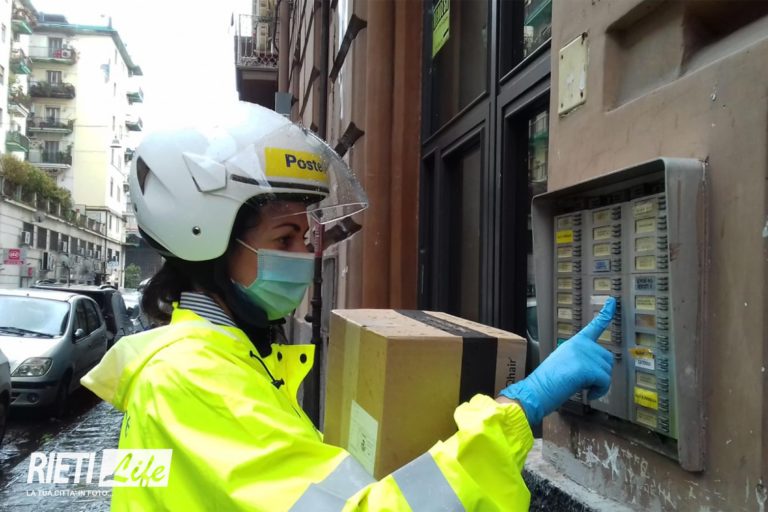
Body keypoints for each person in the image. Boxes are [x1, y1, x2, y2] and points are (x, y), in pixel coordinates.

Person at [82, 102, 616, 511]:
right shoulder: (193, 379)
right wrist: (520, 408)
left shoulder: (223, 359)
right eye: (285, 238)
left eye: (306, 237)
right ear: (205, 240)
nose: (306, 257)